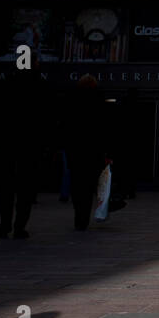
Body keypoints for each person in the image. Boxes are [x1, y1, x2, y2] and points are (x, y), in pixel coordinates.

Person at [0, 65, 51, 238]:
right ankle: (19, 226)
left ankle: (5, 224)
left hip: (6, 145)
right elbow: (46, 120)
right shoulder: (39, 88)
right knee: (26, 190)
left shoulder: (6, 87)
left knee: (6, 189)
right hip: (29, 147)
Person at [62, 75, 113, 231]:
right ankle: (83, 216)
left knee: (77, 184)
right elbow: (105, 130)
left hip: (76, 151)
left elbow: (65, 127)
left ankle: (79, 216)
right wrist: (107, 153)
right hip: (93, 152)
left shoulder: (72, 102)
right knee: (89, 185)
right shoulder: (100, 103)